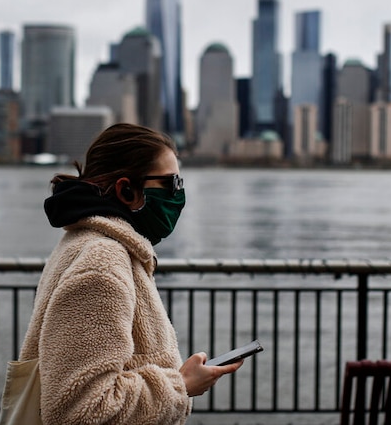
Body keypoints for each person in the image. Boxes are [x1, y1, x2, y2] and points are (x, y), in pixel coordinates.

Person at [15, 123, 242, 424]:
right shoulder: (103, 263)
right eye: (172, 183)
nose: (180, 195)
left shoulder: (88, 242)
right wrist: (181, 386)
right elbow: (79, 409)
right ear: (126, 190)